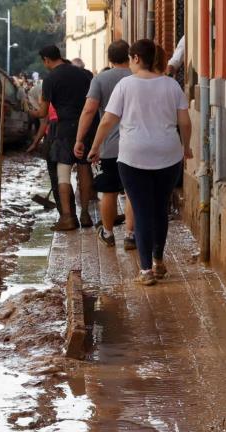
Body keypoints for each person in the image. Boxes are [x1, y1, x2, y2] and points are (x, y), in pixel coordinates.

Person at [88, 39, 192, 286]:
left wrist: (95, 147)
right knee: (159, 209)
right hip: (168, 155)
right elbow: (185, 123)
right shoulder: (171, 86)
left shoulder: (126, 85)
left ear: (135, 58)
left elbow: (107, 121)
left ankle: (145, 271)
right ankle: (158, 261)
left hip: (134, 157)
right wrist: (185, 147)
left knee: (142, 210)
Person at [74, 40, 136, 250]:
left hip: (108, 147)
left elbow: (89, 110)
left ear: (109, 58)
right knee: (131, 191)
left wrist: (80, 139)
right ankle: (130, 235)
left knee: (108, 192)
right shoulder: (137, 78)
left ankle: (108, 233)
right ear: (129, 56)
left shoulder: (100, 79)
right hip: (134, 146)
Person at [30, 45, 96, 231]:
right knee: (84, 170)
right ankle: (85, 215)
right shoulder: (84, 74)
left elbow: (43, 111)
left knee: (63, 173)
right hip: (85, 126)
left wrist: (29, 111)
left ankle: (67, 217)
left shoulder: (50, 79)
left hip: (64, 129)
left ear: (46, 60)